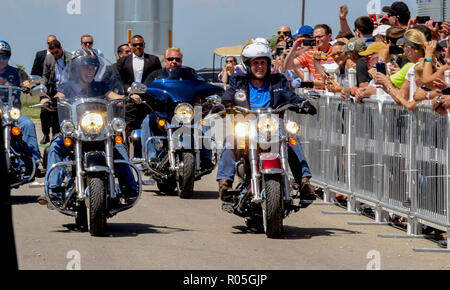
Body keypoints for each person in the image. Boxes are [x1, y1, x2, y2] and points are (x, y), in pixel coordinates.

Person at [216, 41, 316, 204]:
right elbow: (228, 96)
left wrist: (302, 103)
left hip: (272, 125)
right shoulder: (238, 80)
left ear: (269, 63)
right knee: (230, 140)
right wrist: (221, 106)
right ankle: (225, 184)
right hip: (246, 124)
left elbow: (290, 96)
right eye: (256, 63)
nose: (260, 66)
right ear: (248, 65)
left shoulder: (278, 80)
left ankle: (304, 183)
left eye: (263, 62)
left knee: (292, 138)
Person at [39, 49, 141, 204]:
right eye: (86, 66)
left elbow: (114, 96)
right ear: (78, 69)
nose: (90, 70)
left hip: (99, 130)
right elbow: (58, 98)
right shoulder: (67, 87)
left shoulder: (100, 86)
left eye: (93, 67)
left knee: (119, 145)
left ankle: (130, 187)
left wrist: (128, 97)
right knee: (55, 146)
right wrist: (47, 101)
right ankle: (53, 190)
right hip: (75, 130)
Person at [140, 47, 214, 170]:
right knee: (148, 120)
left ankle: (206, 157)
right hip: (163, 114)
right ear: (165, 61)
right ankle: (151, 158)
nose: (174, 61)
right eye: (170, 59)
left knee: (204, 122)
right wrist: (140, 93)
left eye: (177, 59)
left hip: (186, 114)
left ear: (181, 61)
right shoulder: (156, 75)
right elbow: (146, 88)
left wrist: (211, 91)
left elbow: (202, 85)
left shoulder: (191, 76)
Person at [0, 40, 41, 172]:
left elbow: (26, 82)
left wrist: (29, 86)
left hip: (13, 113)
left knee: (28, 124)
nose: (1, 59)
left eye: (4, 56)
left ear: (8, 57)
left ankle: (34, 163)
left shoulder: (17, 72)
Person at [116, 34, 162, 145]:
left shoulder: (153, 60)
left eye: (140, 44)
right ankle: (129, 152)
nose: (138, 47)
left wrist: (146, 91)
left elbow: (158, 77)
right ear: (131, 46)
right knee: (129, 128)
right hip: (130, 100)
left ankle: (149, 152)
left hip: (147, 101)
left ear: (144, 45)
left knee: (149, 126)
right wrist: (130, 91)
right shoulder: (123, 61)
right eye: (135, 45)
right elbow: (118, 80)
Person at [284, 24, 335, 89]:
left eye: (320, 37)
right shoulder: (310, 53)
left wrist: (310, 83)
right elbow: (287, 66)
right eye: (315, 37)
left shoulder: (335, 53)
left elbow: (330, 81)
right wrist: (293, 49)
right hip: (318, 95)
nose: (317, 40)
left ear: (329, 36)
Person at [41, 39, 72, 144]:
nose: (55, 55)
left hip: (68, 91)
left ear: (61, 48)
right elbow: (45, 76)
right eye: (52, 53)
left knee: (64, 116)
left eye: (56, 52)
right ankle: (47, 135)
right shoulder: (49, 58)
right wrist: (42, 91)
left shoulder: (71, 58)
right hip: (53, 90)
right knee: (45, 111)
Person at [30, 35, 58, 144]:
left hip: (56, 90)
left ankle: (56, 135)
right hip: (44, 88)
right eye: (49, 43)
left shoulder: (60, 55)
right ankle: (46, 134)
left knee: (56, 114)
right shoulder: (40, 55)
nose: (51, 44)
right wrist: (32, 86)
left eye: (53, 42)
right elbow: (35, 71)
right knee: (44, 112)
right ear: (46, 44)